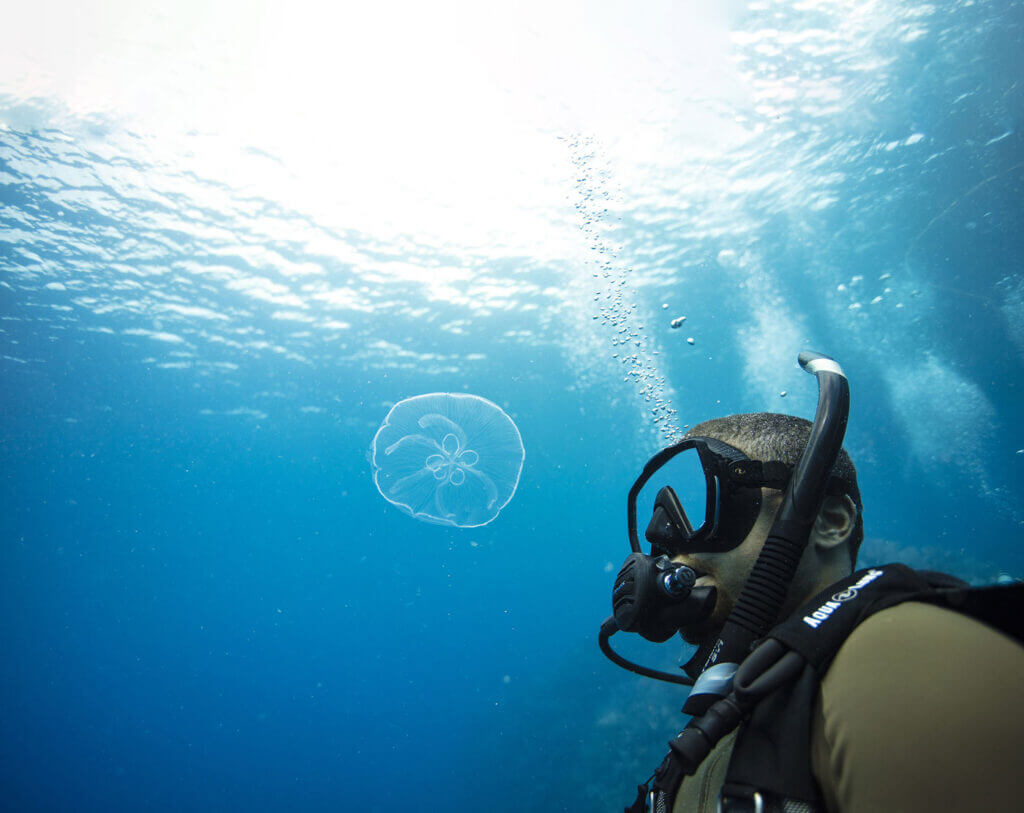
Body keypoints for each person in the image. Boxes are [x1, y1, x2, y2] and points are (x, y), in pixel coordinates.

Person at [605, 409, 1024, 813]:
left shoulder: (900, 656)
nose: (673, 552)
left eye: (707, 506)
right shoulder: (735, 720)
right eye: (665, 532)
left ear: (830, 520)